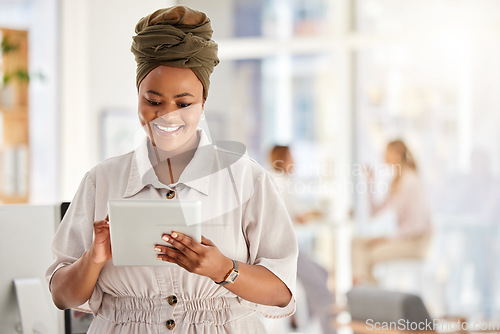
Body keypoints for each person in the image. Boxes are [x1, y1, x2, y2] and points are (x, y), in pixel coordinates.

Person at [46, 6, 298, 333]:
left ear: (203, 102)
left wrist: (223, 269)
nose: (167, 116)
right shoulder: (101, 181)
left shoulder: (246, 179)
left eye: (183, 103)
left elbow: (282, 293)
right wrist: (93, 258)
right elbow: (62, 297)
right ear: (137, 97)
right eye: (153, 101)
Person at [269, 145, 335, 334]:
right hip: (286, 251)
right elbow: (300, 217)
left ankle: (301, 322)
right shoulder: (283, 183)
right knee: (322, 291)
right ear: (283, 160)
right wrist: (320, 212)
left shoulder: (271, 180)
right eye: (291, 158)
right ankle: (327, 330)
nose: (295, 162)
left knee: (322, 272)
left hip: (275, 250)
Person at [352, 139, 433, 284]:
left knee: (367, 256)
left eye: (386, 152)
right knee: (356, 243)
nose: (383, 156)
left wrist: (389, 238)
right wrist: (371, 182)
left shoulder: (410, 181)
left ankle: (366, 294)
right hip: (403, 238)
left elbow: (418, 225)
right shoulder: (396, 181)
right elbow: (375, 212)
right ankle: (366, 293)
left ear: (398, 153)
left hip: (415, 243)